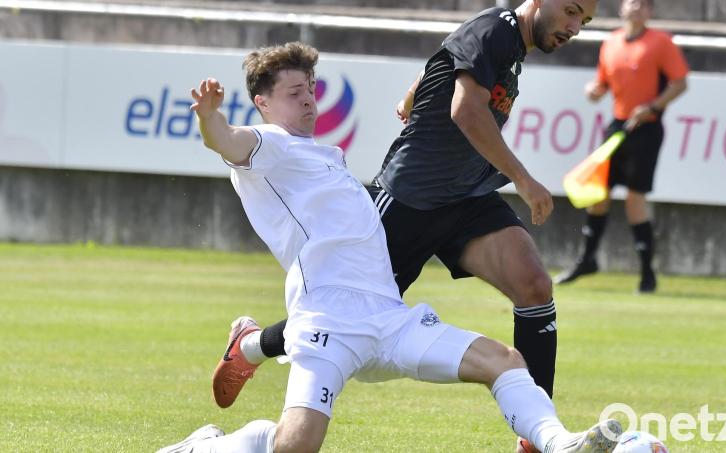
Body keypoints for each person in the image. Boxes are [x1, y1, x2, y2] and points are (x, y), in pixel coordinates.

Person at [158, 42, 622, 453]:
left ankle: (559, 444)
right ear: (262, 103)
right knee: (295, 445)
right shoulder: (271, 145)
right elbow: (228, 141)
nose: (308, 99)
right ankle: (205, 446)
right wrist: (210, 118)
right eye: (294, 92)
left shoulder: (323, 154)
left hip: (389, 320)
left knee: (503, 360)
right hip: (328, 324)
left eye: (311, 88)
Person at [554, 0, 688, 293]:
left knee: (634, 200)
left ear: (650, 12)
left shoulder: (660, 42)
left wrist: (652, 106)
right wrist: (594, 91)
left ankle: (646, 273)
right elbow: (602, 84)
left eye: (644, 4)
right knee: (598, 193)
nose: (637, 8)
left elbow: (679, 83)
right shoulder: (611, 42)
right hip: (617, 127)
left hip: (647, 127)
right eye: (632, 2)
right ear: (621, 9)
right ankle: (587, 259)